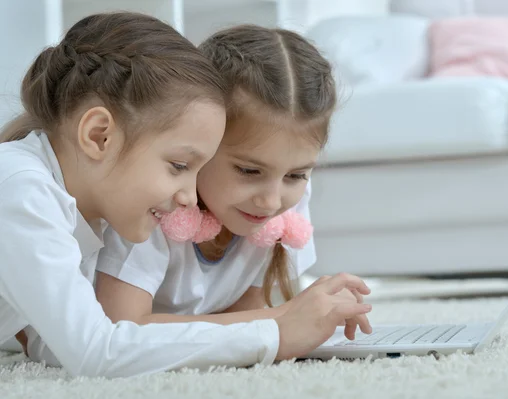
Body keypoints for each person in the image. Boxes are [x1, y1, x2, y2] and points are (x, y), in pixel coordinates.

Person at [0, 13, 371, 378]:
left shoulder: (81, 207)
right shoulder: (22, 189)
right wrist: (276, 332)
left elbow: (53, 344)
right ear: (99, 136)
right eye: (179, 165)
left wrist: (290, 321)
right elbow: (97, 351)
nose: (190, 199)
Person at [94, 24, 373, 352]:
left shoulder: (276, 203)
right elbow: (120, 327)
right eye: (249, 170)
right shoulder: (152, 204)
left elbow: (241, 315)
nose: (270, 202)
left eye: (296, 176)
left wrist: (307, 319)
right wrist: (282, 319)